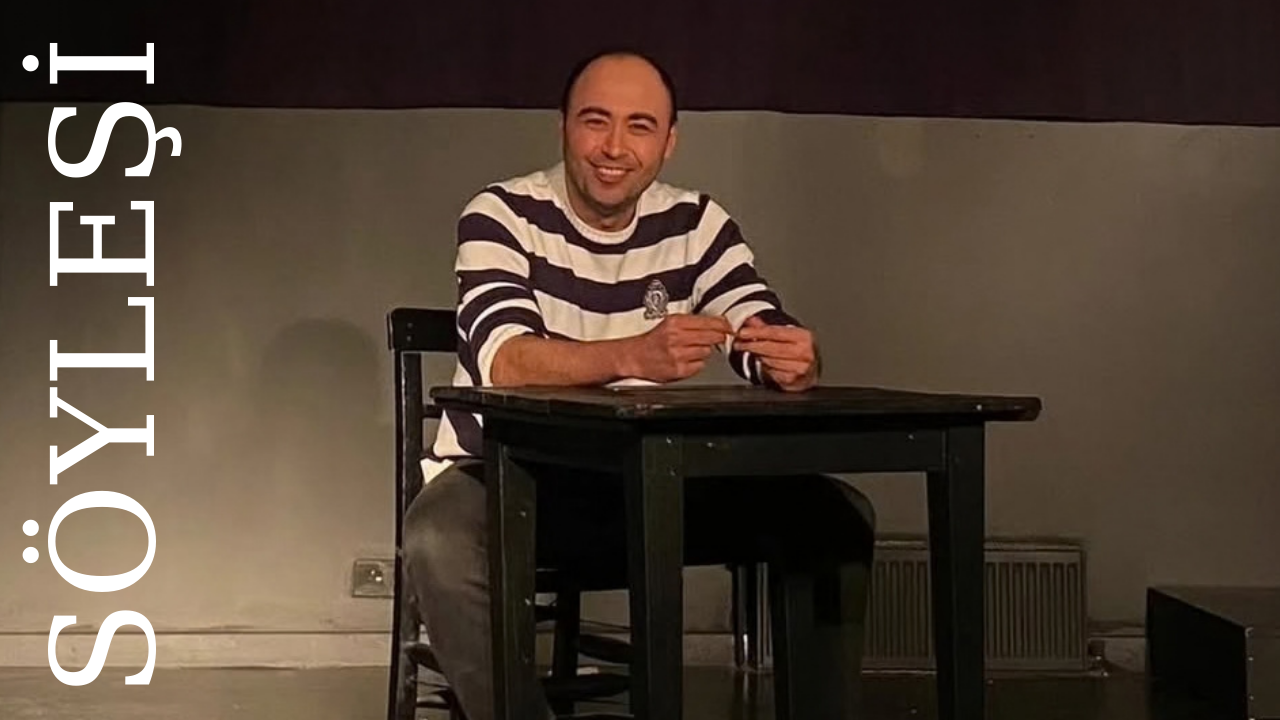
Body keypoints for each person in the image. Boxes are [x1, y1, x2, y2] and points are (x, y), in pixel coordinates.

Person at [404, 49, 876, 720]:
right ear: (564, 126)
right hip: (512, 481)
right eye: (595, 121)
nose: (614, 148)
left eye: (640, 126)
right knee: (437, 538)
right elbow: (505, 360)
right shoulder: (501, 213)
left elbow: (752, 320)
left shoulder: (696, 223)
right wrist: (634, 354)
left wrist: (790, 356)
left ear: (669, 141)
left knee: (833, 515)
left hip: (652, 479)